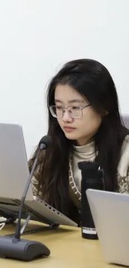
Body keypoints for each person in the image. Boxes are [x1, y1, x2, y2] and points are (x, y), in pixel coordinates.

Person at [31, 58, 129, 223]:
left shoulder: (125, 153)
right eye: (59, 108)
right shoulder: (50, 150)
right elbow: (29, 206)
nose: (65, 118)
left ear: (104, 107)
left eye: (75, 108)